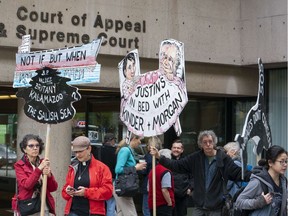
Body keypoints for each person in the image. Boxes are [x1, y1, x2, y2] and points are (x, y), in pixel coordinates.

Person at [150, 130, 251, 216]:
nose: (208, 144)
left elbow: (237, 173)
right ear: (201, 144)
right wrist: (160, 157)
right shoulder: (195, 158)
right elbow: (177, 165)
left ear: (214, 143)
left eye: (210, 141)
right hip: (199, 207)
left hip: (216, 208)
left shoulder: (223, 159)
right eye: (205, 142)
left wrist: (254, 174)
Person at [62, 136, 113, 216]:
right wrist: (67, 191)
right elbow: (64, 193)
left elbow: (108, 192)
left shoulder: (102, 168)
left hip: (94, 213)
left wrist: (86, 192)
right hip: (73, 212)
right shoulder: (73, 168)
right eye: (75, 152)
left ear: (89, 149)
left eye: (80, 151)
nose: (77, 155)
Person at [12, 134, 58, 215]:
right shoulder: (19, 165)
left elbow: (53, 188)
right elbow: (27, 185)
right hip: (28, 206)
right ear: (24, 149)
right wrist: (39, 169)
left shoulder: (43, 162)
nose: (35, 148)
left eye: (37, 145)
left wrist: (49, 175)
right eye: (31, 146)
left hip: (44, 205)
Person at [235, 145, 287, 215]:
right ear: (270, 163)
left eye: (286, 161)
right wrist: (260, 202)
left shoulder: (284, 182)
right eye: (281, 161)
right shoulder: (258, 181)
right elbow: (239, 202)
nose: (285, 165)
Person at [113, 133, 147, 216]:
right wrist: (136, 168)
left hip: (122, 187)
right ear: (134, 138)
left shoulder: (127, 150)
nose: (140, 142)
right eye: (139, 139)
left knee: (121, 213)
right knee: (131, 213)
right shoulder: (125, 150)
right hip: (123, 187)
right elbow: (118, 169)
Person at [148, 137, 175, 216]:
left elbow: (148, 188)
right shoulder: (166, 171)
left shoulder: (152, 170)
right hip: (163, 204)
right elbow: (164, 190)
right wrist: (169, 202)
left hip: (153, 204)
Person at [170, 139, 193, 216]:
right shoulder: (167, 161)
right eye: (174, 147)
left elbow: (193, 176)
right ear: (171, 149)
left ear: (182, 150)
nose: (176, 150)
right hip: (169, 195)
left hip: (183, 195)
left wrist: (190, 188)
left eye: (178, 148)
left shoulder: (187, 162)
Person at [100, 133, 117, 216]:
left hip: (99, 178)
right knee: (111, 203)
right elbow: (116, 166)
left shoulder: (99, 150)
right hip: (111, 178)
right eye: (114, 140)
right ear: (111, 140)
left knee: (101, 203)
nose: (115, 142)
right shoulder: (114, 151)